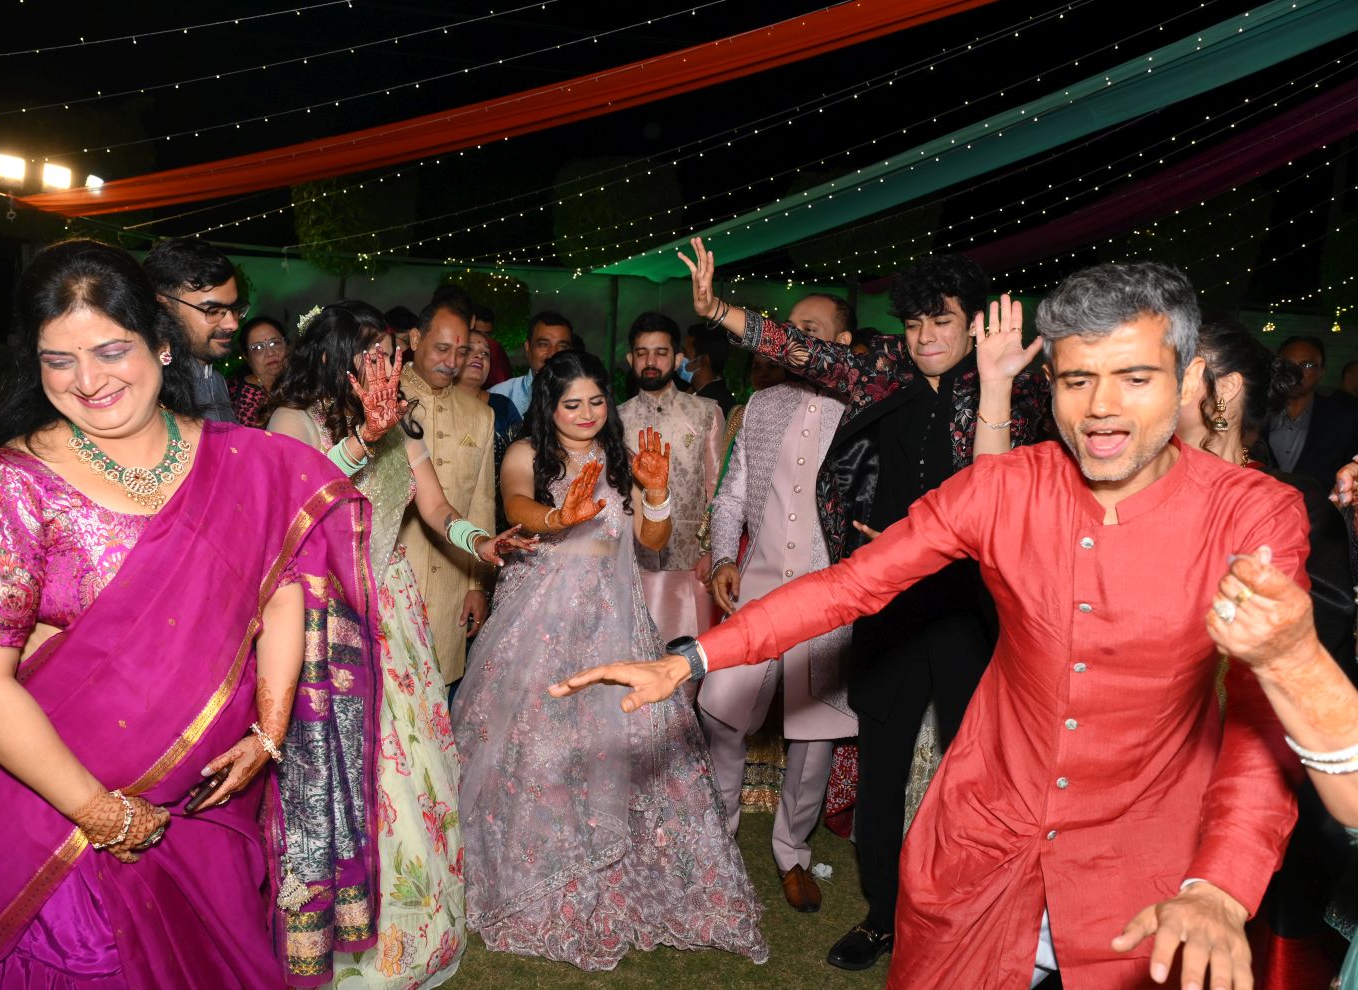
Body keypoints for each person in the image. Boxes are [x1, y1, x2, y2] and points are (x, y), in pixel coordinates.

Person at [555, 261, 1310, 990]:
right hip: (981, 852)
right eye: (1078, 380)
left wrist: (1221, 885)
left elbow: (1264, 722)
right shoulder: (1006, 484)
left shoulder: (1254, 514)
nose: (1101, 408)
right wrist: (691, 659)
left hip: (1141, 881)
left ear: (1187, 381)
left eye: (1135, 379)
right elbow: (850, 586)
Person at [0, 240, 380, 988]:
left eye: (111, 351)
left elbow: (281, 586)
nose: (88, 381)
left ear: (161, 344)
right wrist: (101, 814)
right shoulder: (7, 487)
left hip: (204, 808)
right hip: (55, 822)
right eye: (59, 360)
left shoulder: (245, 462)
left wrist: (268, 733)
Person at [675, 240, 1053, 971]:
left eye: (942, 321)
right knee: (881, 775)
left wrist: (996, 393)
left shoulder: (1015, 384)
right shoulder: (885, 371)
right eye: (914, 322)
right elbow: (806, 351)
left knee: (974, 776)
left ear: (974, 324)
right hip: (889, 604)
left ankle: (970, 919)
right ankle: (882, 916)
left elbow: (1003, 492)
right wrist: (720, 311)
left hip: (972, 610)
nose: (925, 336)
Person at [455, 350, 768, 970]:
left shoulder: (622, 456)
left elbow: (652, 543)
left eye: (596, 401)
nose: (586, 414)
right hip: (539, 618)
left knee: (616, 739)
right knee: (535, 740)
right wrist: (558, 517)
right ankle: (537, 866)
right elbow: (516, 506)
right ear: (548, 406)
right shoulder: (527, 453)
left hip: (613, 616)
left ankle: (615, 866)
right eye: (571, 404)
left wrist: (656, 492)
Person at [267, 301, 531, 989]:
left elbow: (437, 508)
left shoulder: (399, 421)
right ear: (334, 356)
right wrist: (362, 439)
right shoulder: (293, 420)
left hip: (392, 607)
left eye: (390, 353)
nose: (389, 364)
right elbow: (295, 505)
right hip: (323, 614)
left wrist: (482, 543)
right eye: (374, 353)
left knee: (409, 770)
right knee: (343, 770)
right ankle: (334, 934)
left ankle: (411, 931)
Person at [1177, 315, 1357, 990]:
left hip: (1242, 743)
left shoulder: (1289, 504)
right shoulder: (1123, 489)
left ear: (1219, 392)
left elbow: (1319, 642)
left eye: (1169, 372)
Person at [701, 293, 859, 914]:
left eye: (808, 329)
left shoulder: (861, 411)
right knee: (721, 710)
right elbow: (732, 496)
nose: (790, 337)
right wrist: (723, 558)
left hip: (831, 594)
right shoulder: (761, 405)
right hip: (759, 589)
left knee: (814, 735)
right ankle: (719, 834)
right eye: (788, 327)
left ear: (840, 346)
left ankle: (792, 851)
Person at [397, 297, 497, 686]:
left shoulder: (479, 415)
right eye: (442, 348)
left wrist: (477, 585)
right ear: (415, 339)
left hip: (451, 587)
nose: (452, 362)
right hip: (390, 582)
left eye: (461, 352)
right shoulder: (384, 400)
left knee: (440, 693)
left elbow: (481, 503)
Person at [618, 311, 723, 642]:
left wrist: (713, 551)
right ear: (630, 359)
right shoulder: (614, 419)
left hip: (692, 565)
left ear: (678, 359)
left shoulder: (705, 412)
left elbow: (718, 490)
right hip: (631, 564)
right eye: (642, 353)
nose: (651, 362)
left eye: (661, 353)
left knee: (688, 658)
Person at [143, 238, 248, 424]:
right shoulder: (146, 391)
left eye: (234, 309)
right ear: (164, 307)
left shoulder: (216, 379)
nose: (232, 324)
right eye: (213, 311)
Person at [1268, 335, 1358, 487]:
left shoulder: (1343, 420)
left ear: (1321, 372)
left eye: (1308, 365)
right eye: (1287, 363)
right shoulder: (1255, 414)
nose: (1295, 371)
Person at [488, 312, 574, 417]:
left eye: (562, 347)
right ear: (528, 348)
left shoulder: (584, 396)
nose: (552, 353)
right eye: (543, 345)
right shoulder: (499, 397)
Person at [458, 329, 522, 443]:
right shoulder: (435, 402)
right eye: (469, 349)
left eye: (485, 353)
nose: (480, 356)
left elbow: (521, 449)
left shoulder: (503, 406)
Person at [227, 315, 289, 428]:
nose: (270, 353)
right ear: (247, 356)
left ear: (287, 345)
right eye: (258, 348)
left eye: (275, 343)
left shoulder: (301, 379)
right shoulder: (241, 399)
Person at [683, 322, 735, 417]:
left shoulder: (716, 405)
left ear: (703, 360)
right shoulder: (696, 393)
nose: (680, 357)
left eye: (685, 353)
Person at [469, 305, 513, 388]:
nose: (482, 338)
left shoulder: (495, 349)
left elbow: (504, 384)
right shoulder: (458, 349)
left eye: (487, 334)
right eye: (477, 333)